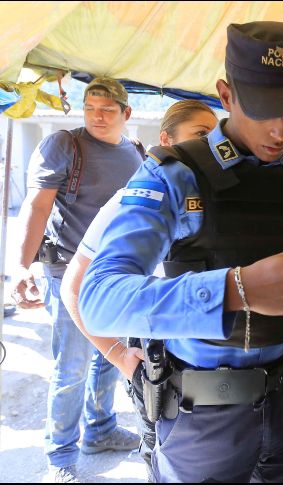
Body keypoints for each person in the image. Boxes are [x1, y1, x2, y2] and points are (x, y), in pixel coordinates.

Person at [77, 21, 283, 483]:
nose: (281, 128)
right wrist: (236, 290)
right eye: (266, 107)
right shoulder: (172, 175)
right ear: (226, 95)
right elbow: (99, 299)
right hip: (201, 417)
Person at [60, 99, 219, 478]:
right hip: (160, 368)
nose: (212, 149)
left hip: (214, 371)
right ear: (166, 139)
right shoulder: (131, 203)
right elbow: (74, 286)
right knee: (164, 460)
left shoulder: (216, 202)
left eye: (216, 139)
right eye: (201, 136)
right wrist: (117, 354)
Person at [10, 77, 143, 483]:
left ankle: (100, 431)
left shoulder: (135, 152)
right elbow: (36, 205)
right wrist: (21, 265)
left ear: (126, 113)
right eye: (90, 108)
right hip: (67, 271)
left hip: (117, 273)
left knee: (110, 356)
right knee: (72, 367)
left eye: (106, 109)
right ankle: (60, 456)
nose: (97, 116)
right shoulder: (65, 145)